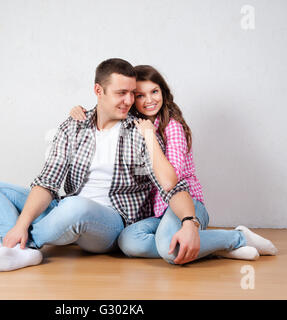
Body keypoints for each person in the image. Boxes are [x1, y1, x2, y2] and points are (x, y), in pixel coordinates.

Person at [0, 58, 200, 272]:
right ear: (98, 91)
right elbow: (48, 182)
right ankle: (14, 241)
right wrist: (22, 224)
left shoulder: (140, 132)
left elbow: (170, 186)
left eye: (132, 93)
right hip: (66, 210)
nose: (129, 101)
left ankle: (17, 245)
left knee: (76, 207)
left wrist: (189, 221)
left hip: (111, 223)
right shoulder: (73, 126)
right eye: (121, 93)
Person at [69, 64, 278, 265]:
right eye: (140, 95)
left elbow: (171, 180)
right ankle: (215, 247)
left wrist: (149, 136)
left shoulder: (172, 127)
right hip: (157, 213)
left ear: (164, 92)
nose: (149, 100)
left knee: (169, 250)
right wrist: (82, 111)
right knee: (128, 242)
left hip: (186, 205)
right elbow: (106, 110)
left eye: (154, 91)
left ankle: (236, 238)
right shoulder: (134, 126)